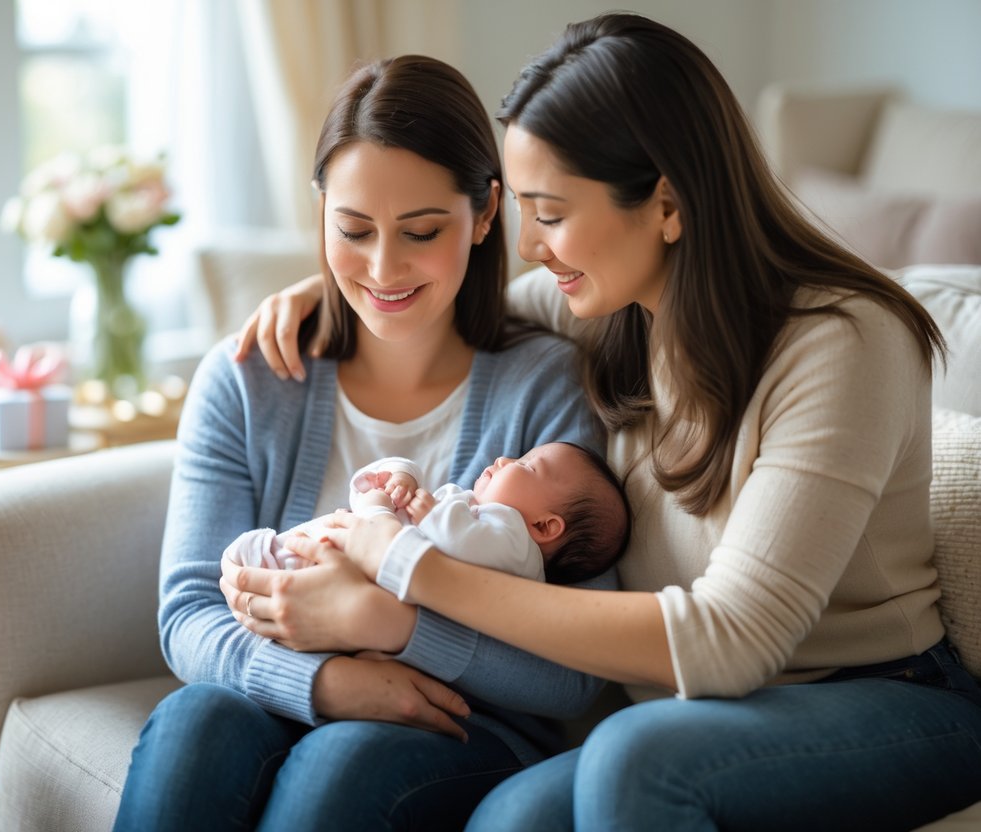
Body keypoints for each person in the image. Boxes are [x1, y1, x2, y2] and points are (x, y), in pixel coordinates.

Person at [231, 13, 981, 830]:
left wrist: (409, 564)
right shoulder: (606, 308)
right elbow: (443, 305)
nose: (527, 247)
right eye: (518, 210)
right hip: (680, 717)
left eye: (549, 213)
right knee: (509, 818)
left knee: (631, 758)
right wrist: (333, 294)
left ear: (665, 201)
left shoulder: (844, 342)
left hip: (883, 699)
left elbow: (732, 640)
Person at [112, 54, 616, 832]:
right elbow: (188, 613)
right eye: (353, 229)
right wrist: (325, 683)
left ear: (485, 215)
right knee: (194, 724)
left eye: (421, 231)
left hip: (463, 727)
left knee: (341, 763)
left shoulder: (544, 389)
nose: (383, 268)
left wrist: (401, 631)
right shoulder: (248, 380)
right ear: (320, 211)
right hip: (269, 699)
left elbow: (576, 676)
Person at [223, 442, 630, 588]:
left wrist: (431, 513)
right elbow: (421, 513)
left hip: (357, 576)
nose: (505, 457)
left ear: (545, 526)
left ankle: (268, 560)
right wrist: (400, 479)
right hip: (356, 550)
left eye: (526, 465)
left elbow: (464, 544)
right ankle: (267, 558)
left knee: (287, 562)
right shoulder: (473, 509)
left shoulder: (516, 548)